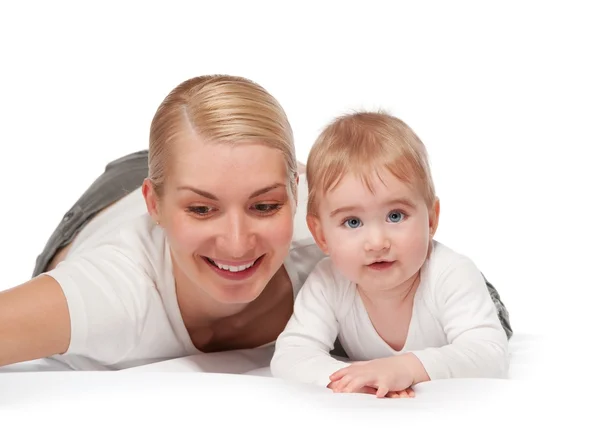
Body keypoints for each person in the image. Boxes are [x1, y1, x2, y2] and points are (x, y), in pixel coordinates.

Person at [0, 75, 511, 372]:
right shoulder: (113, 292)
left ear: (297, 197)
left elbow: (471, 307)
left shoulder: (335, 238)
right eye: (202, 210)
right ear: (156, 206)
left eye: (265, 207)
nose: (239, 243)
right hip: (117, 196)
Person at [270, 111, 510, 398]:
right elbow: (291, 353)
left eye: (395, 216)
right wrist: (350, 379)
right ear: (321, 236)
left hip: (473, 299)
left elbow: (489, 353)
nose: (377, 242)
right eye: (353, 222)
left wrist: (408, 367)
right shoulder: (327, 280)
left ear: (431, 220)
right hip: (362, 332)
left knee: (484, 330)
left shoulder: (451, 274)